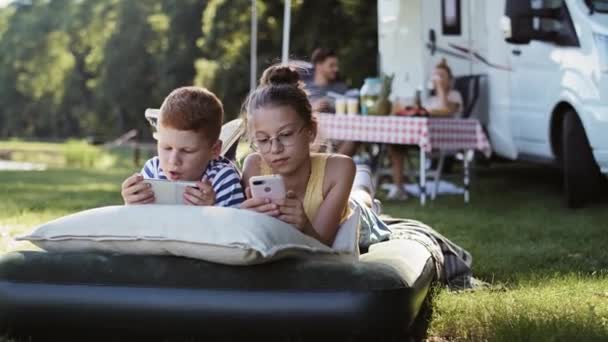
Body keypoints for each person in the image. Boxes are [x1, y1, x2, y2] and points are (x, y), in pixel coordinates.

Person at [239, 64, 474, 289]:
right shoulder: (254, 166)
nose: (275, 148)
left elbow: (325, 246)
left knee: (362, 202)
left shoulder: (340, 167)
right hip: (330, 198)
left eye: (286, 134)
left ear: (310, 130)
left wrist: (303, 223)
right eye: (262, 139)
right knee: (354, 196)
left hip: (354, 223)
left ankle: (362, 182)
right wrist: (245, 217)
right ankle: (361, 182)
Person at [121, 86, 245, 208]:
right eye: (167, 148)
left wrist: (212, 209)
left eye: (187, 151)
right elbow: (140, 223)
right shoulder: (153, 170)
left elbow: (236, 226)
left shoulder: (223, 178)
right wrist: (132, 203)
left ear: (214, 150)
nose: (173, 160)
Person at [387, 59, 463, 200]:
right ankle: (399, 188)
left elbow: (447, 109)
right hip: (423, 139)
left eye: (441, 76)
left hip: (444, 140)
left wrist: (440, 87)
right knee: (395, 144)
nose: (437, 79)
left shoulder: (455, 95)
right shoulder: (429, 99)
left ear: (450, 80)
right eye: (435, 76)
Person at [304, 48, 358, 156]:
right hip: (312, 136)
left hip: (339, 137)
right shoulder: (305, 88)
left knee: (356, 135)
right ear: (319, 65)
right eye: (331, 65)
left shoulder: (341, 88)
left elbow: (352, 113)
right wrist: (312, 107)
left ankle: (333, 166)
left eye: (336, 65)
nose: (336, 69)